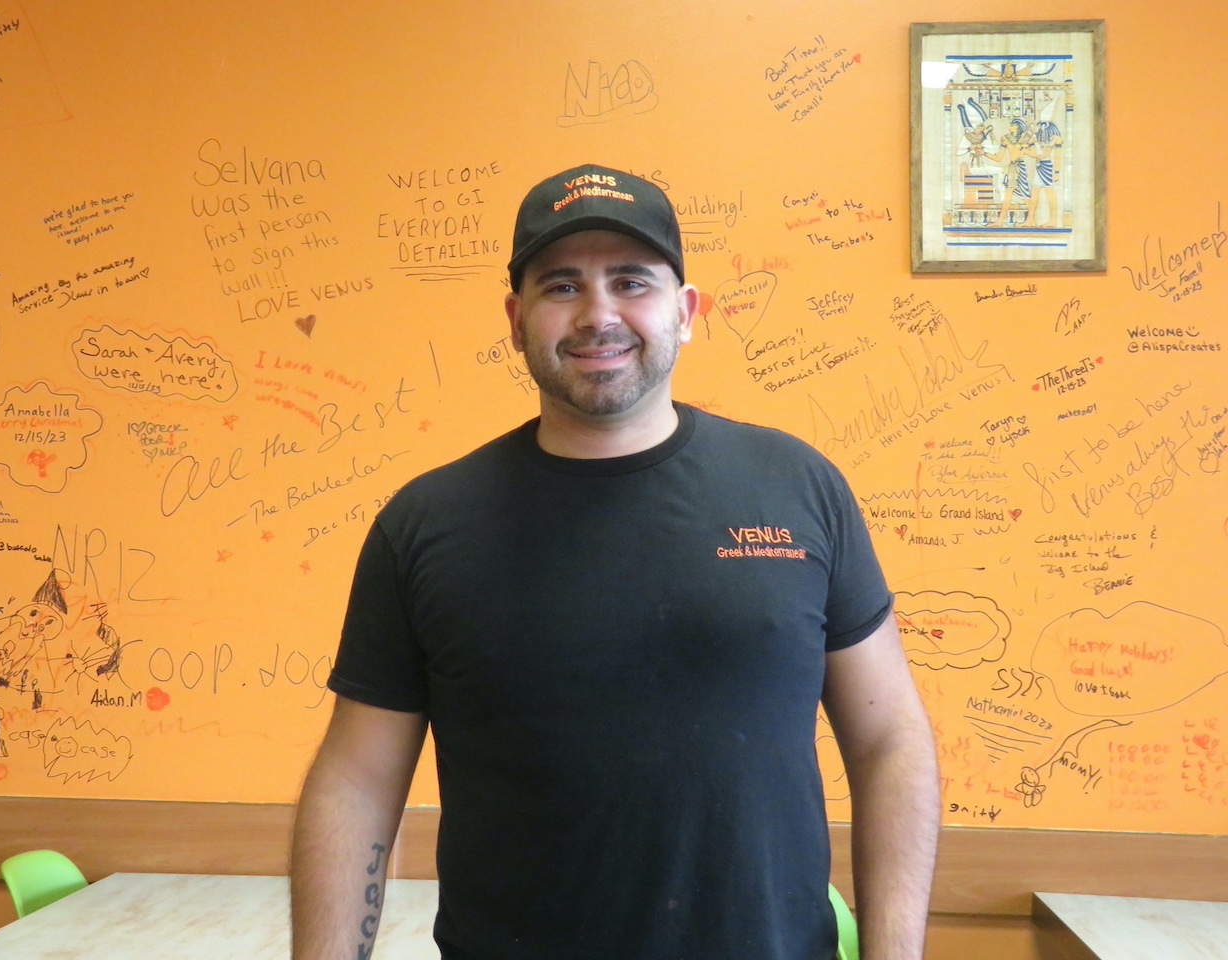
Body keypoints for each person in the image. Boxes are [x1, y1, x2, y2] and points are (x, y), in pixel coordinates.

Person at [290, 164, 940, 960]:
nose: (598, 314)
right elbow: (356, 782)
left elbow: (889, 743)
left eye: (631, 281)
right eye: (561, 286)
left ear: (685, 311)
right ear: (516, 320)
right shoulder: (425, 526)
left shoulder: (798, 487)